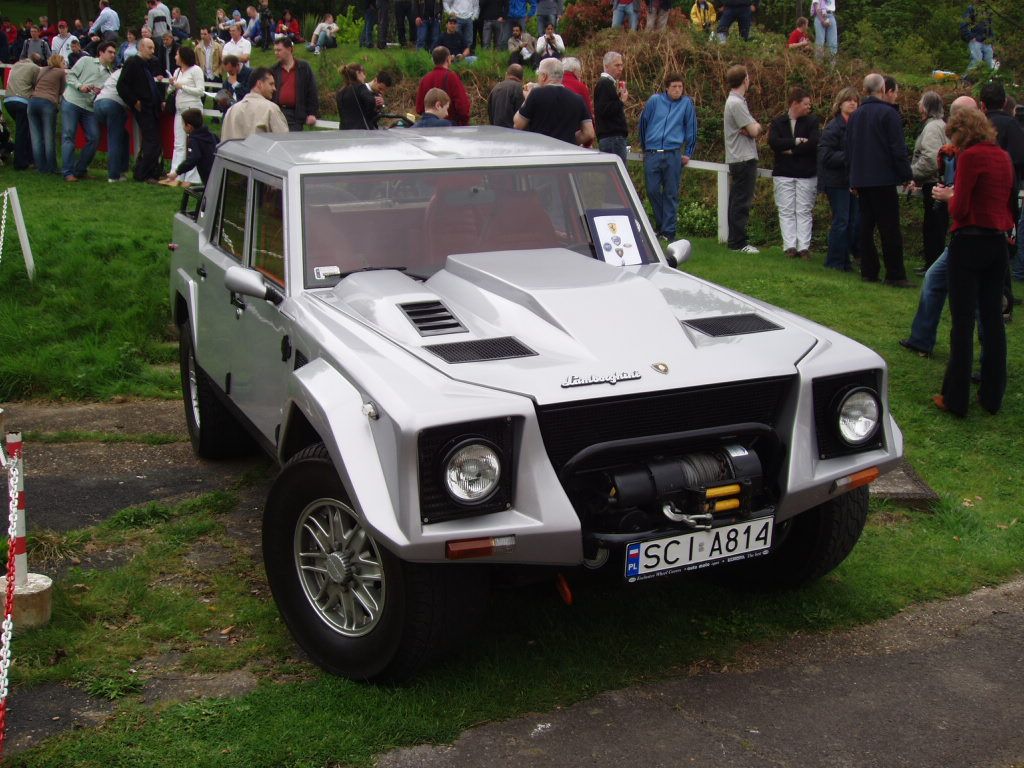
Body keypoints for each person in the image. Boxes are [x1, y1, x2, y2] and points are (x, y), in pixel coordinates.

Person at [931, 107, 1013, 417]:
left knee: (962, 322)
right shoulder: (1002, 156)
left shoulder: (970, 157)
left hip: (969, 242)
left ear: (960, 133)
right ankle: (992, 396)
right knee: (992, 320)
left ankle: (956, 399)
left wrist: (947, 197)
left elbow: (961, 208)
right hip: (996, 242)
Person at [899, 95, 978, 358]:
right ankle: (922, 339)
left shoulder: (976, 154)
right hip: (964, 234)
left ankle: (981, 362)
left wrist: (949, 195)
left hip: (975, 235)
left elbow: (974, 199)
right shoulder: (964, 150)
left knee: (976, 302)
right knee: (935, 280)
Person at [846, 73, 912, 286]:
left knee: (866, 227)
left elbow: (850, 149)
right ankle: (894, 274)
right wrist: (905, 175)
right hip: (883, 178)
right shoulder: (888, 114)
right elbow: (897, 149)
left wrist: (853, 177)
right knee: (889, 228)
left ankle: (869, 270)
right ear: (883, 90)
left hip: (862, 179)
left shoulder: (856, 115)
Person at [638, 73, 698, 241]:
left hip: (673, 153)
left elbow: (691, 127)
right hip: (653, 152)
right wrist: (645, 147)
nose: (677, 90)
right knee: (652, 190)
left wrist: (688, 152)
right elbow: (643, 124)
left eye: (680, 87)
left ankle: (668, 231)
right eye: (674, 87)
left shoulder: (686, 104)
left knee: (671, 192)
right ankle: (661, 224)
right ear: (666, 87)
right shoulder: (655, 101)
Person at [768, 86, 819, 259]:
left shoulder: (811, 122)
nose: (808, 107)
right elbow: (774, 143)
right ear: (795, 103)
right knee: (786, 210)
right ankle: (789, 246)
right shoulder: (778, 122)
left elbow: (813, 144)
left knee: (804, 210)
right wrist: (796, 141)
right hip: (784, 172)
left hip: (806, 173)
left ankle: (804, 247)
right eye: (805, 104)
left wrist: (792, 150)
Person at [817, 86, 859, 271]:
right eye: (848, 100)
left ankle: (845, 261)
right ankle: (834, 261)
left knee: (852, 222)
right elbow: (825, 156)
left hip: (852, 181)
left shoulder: (857, 126)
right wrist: (849, 156)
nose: (852, 103)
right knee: (841, 221)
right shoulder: (833, 127)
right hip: (836, 181)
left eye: (855, 100)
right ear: (840, 103)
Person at [61, 40, 115, 182]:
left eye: (114, 53)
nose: (113, 55)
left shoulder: (110, 75)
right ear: (101, 52)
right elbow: (70, 76)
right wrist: (81, 86)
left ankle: (80, 169)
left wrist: (98, 92)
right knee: (68, 136)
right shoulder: (86, 60)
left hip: (89, 107)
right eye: (110, 52)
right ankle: (67, 172)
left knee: (94, 137)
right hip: (72, 100)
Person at [908, 92, 948, 273]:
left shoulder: (932, 128)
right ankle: (933, 265)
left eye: (920, 101)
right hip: (939, 183)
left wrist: (912, 173)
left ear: (926, 107)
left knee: (933, 228)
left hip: (933, 185)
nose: (917, 104)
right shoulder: (941, 125)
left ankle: (933, 266)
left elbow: (931, 159)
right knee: (936, 227)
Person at [513, 57, 594, 146]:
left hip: (541, 151)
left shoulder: (535, 94)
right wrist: (569, 142)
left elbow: (518, 124)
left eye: (539, 75)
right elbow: (589, 133)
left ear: (544, 76)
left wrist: (527, 98)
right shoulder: (578, 99)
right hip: (567, 154)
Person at [723, 63, 761, 253]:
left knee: (737, 200)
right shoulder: (736, 103)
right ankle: (738, 242)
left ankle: (735, 240)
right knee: (741, 202)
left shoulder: (737, 101)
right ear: (745, 80)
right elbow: (754, 130)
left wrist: (752, 128)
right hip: (743, 158)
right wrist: (754, 126)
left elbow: (751, 129)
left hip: (739, 157)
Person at [117, 36, 163, 182]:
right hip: (143, 106)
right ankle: (144, 173)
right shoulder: (132, 62)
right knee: (151, 140)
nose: (152, 51)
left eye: (153, 48)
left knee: (153, 140)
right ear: (141, 47)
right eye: (149, 48)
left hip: (152, 107)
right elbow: (121, 85)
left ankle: (149, 171)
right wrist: (134, 101)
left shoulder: (147, 64)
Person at [166, 46, 204, 185]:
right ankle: (175, 175)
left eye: (177, 54)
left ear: (183, 56)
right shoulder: (177, 71)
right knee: (179, 143)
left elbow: (200, 91)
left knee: (192, 143)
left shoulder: (196, 70)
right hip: (179, 110)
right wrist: (172, 85)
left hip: (192, 108)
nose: (175, 57)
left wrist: (182, 86)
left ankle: (192, 178)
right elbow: (172, 89)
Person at [222, 66, 289, 139]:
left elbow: (224, 142)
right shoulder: (270, 109)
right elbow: (283, 140)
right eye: (271, 84)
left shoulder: (231, 111)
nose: (274, 88)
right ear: (260, 84)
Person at [27, 54, 66, 174]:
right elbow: (61, 90)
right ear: (59, 62)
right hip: (48, 103)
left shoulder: (42, 69)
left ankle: (41, 167)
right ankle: (52, 167)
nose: (65, 64)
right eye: (63, 62)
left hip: (33, 102)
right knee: (49, 137)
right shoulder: (61, 72)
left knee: (36, 138)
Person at [271, 36, 318, 130]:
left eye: (279, 50)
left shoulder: (304, 67)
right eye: (275, 50)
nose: (276, 53)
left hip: (296, 115)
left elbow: (312, 91)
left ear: (289, 49)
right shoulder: (273, 70)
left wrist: (312, 113)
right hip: (278, 114)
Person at [415, 46, 470, 126]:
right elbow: (462, 107)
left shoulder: (425, 79)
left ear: (433, 60)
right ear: (448, 59)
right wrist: (464, 124)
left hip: (428, 129)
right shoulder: (452, 77)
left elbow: (419, 108)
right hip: (450, 128)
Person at [4, 55, 42, 170]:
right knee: (22, 132)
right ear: (38, 63)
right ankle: (20, 163)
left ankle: (28, 158)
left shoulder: (16, 65)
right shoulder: (35, 68)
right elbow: (37, 85)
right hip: (22, 101)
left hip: (8, 100)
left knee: (24, 130)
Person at [93, 65, 130, 181]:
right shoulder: (130, 73)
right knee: (114, 139)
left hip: (98, 103)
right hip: (114, 104)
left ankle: (122, 171)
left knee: (124, 136)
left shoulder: (115, 73)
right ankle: (114, 175)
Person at [165, 108, 217, 185]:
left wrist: (176, 172)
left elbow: (193, 159)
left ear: (189, 126)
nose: (182, 127)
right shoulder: (211, 135)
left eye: (183, 124)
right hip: (218, 171)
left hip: (208, 175)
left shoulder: (194, 140)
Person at [593, 51, 628, 163]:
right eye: (617, 65)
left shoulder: (608, 84)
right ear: (606, 66)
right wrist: (621, 101)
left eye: (621, 65)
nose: (620, 68)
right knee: (618, 176)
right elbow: (604, 110)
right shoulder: (605, 84)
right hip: (612, 138)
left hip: (612, 138)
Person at [336, 63, 379, 130]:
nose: (365, 77)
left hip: (344, 131)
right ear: (358, 73)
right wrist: (372, 113)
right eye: (363, 73)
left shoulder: (340, 92)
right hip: (361, 131)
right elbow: (370, 101)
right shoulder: (361, 87)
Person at [487, 63, 524, 128]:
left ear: (506, 74)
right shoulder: (521, 89)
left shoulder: (495, 88)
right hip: (514, 134)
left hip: (496, 131)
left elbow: (490, 112)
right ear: (522, 78)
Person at [960, 3, 993, 69]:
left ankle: (985, 79)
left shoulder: (988, 10)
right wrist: (970, 37)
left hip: (986, 41)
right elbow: (963, 24)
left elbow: (990, 26)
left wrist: (991, 39)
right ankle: (967, 78)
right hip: (975, 40)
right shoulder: (971, 8)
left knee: (989, 64)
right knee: (976, 61)